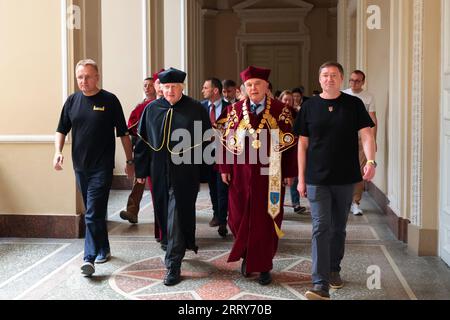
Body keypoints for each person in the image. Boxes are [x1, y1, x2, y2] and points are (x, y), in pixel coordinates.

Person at [294, 61, 376, 300]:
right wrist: (300, 178)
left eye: (334, 75)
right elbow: (302, 144)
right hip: (316, 178)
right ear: (319, 80)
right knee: (320, 226)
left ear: (341, 79)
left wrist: (370, 161)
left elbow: (366, 135)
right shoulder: (309, 107)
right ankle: (320, 284)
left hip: (345, 177)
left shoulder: (354, 104)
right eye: (325, 75)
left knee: (338, 228)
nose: (329, 79)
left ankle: (333, 269)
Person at [217, 66, 297, 286]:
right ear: (244, 87)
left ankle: (263, 265)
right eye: (249, 85)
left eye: (257, 84)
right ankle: (246, 257)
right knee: (238, 216)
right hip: (240, 174)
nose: (253, 88)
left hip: (270, 174)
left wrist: (290, 172)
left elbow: (290, 145)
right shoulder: (234, 110)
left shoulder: (281, 110)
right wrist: (224, 168)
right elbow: (224, 142)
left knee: (267, 219)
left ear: (266, 87)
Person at [54, 59, 134, 277]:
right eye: (80, 77)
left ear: (97, 77)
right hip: (80, 167)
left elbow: (123, 134)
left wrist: (129, 161)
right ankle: (104, 248)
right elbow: (61, 129)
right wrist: (57, 151)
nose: (84, 81)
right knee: (95, 212)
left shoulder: (109, 100)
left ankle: (88, 258)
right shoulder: (72, 101)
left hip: (102, 167)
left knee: (91, 213)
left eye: (88, 76)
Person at [134, 67, 211, 286]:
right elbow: (142, 143)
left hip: (185, 171)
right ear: (161, 87)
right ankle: (174, 246)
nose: (169, 91)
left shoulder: (195, 109)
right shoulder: (152, 109)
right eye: (166, 87)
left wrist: (204, 172)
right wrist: (141, 172)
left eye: (174, 87)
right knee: (164, 211)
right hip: (159, 171)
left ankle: (172, 265)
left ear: (182, 87)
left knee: (177, 212)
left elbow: (206, 141)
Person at [342, 70, 378, 216]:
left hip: (362, 139)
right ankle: (343, 200)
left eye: (357, 81)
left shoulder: (368, 97)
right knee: (344, 169)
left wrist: (373, 141)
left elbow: (373, 120)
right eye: (351, 80)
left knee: (360, 170)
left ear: (363, 82)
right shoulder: (343, 94)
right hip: (344, 138)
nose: (354, 83)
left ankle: (355, 202)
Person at [201, 77, 230, 238]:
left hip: (224, 153)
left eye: (205, 87)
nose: (203, 90)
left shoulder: (230, 107)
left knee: (223, 187)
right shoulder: (200, 107)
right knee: (212, 186)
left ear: (215, 90)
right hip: (206, 153)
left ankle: (223, 220)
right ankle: (216, 213)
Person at [279, 90, 306, 215]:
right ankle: (278, 205)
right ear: (280, 100)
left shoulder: (296, 113)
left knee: (293, 176)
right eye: (285, 100)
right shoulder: (276, 113)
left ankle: (296, 203)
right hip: (278, 150)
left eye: (290, 100)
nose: (287, 102)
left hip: (294, 148)